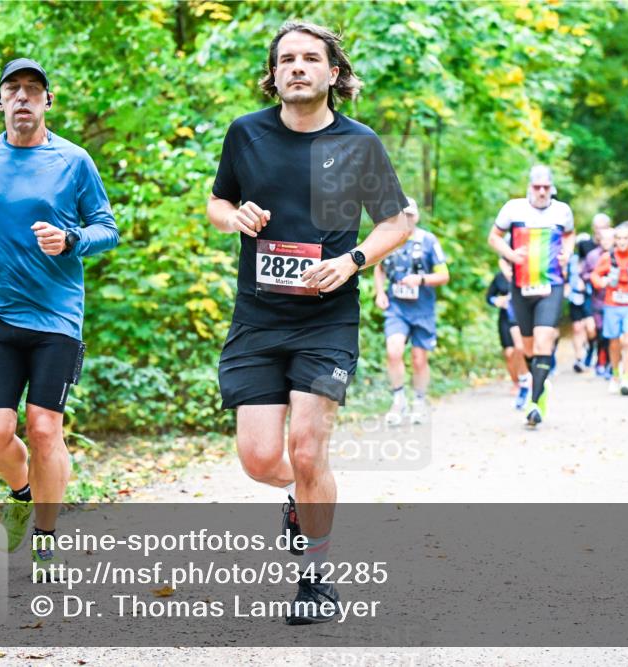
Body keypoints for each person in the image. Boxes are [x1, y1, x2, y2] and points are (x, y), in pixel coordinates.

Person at [207, 21, 410, 624]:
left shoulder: (360, 142)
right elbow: (217, 201)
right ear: (273, 75)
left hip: (326, 320)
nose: (297, 67)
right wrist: (232, 217)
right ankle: (305, 494)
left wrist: (351, 262)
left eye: (310, 58)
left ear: (332, 73)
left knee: (307, 446)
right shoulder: (245, 134)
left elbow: (396, 223)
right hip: (258, 318)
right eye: (286, 59)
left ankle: (316, 577)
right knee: (261, 459)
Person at [0, 58, 120, 568]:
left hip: (57, 317)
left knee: (45, 428)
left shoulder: (74, 161)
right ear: (0, 101)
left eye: (34, 89)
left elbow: (106, 228)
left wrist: (71, 240)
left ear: (48, 101)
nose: (23, 96)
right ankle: (25, 493)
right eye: (14, 89)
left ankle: (46, 536)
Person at [487, 165, 575, 427]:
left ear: (552, 188)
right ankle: (539, 382)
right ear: (529, 187)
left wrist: (567, 254)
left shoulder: (562, 211)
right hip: (522, 285)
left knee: (543, 341)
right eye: (537, 187)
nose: (541, 192)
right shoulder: (513, 208)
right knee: (527, 348)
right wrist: (511, 255)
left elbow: (569, 236)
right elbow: (494, 237)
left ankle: (535, 403)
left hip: (551, 284)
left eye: (546, 187)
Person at [374, 198, 450, 425]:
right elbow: (378, 267)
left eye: (410, 215)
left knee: (419, 359)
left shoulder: (428, 240)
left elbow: (444, 275)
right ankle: (398, 399)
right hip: (397, 308)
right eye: (402, 215)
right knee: (394, 351)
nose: (406, 219)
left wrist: (421, 279)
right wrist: (380, 293)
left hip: (422, 310)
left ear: (416, 216)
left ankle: (418, 400)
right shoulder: (387, 240)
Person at [590, 222, 628, 396]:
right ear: (614, 240)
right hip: (612, 304)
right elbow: (595, 275)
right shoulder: (607, 258)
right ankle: (615, 375)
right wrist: (600, 282)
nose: (622, 242)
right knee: (614, 342)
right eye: (619, 238)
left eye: (626, 238)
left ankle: (627, 377)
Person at [572, 214, 611, 370]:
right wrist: (581, 279)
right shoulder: (585, 245)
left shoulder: (614, 245)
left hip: (609, 294)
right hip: (590, 292)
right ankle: (590, 348)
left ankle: (603, 360)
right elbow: (580, 265)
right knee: (592, 328)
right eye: (597, 226)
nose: (600, 230)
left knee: (604, 329)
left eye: (603, 226)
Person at [486, 258, 525, 401]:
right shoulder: (499, 278)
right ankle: (516, 382)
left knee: (520, 349)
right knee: (509, 352)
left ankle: (524, 378)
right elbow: (489, 297)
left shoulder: (524, 273)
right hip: (505, 318)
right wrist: (497, 301)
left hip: (521, 317)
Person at [581, 226, 615, 378]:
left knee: (612, 335)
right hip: (598, 300)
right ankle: (600, 360)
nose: (607, 242)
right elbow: (584, 274)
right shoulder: (592, 256)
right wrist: (597, 279)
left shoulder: (619, 255)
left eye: (610, 238)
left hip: (616, 301)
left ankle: (609, 364)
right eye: (604, 238)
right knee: (600, 333)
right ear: (599, 239)